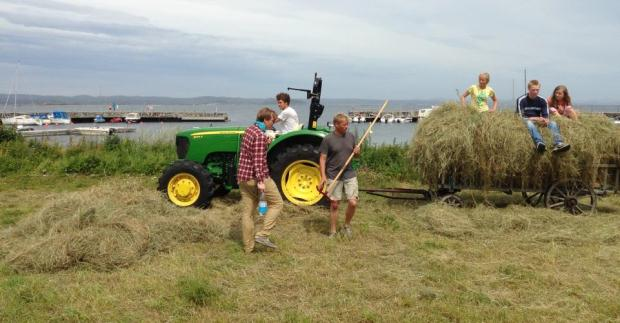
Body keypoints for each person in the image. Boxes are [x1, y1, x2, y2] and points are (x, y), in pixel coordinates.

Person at [237, 107, 284, 253]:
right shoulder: (259, 135)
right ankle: (263, 235)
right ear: (265, 119)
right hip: (257, 177)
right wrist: (261, 181)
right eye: (272, 121)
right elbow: (257, 160)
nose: (273, 124)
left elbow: (251, 152)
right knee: (277, 203)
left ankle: (248, 247)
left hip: (243, 178)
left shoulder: (250, 130)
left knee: (247, 213)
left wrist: (266, 142)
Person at [318, 113, 360, 238]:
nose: (347, 126)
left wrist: (357, 152)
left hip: (349, 173)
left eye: (347, 124)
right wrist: (323, 176)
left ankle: (346, 226)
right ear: (336, 125)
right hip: (333, 174)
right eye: (344, 124)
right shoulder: (328, 139)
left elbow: (356, 155)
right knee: (335, 204)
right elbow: (322, 158)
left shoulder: (351, 137)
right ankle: (333, 231)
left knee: (353, 202)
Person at [516, 80, 571, 153]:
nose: (535, 92)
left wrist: (544, 120)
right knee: (529, 122)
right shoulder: (521, 100)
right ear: (528, 89)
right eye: (533, 90)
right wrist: (535, 118)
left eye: (537, 90)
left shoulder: (542, 100)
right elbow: (521, 116)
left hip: (539, 120)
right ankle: (539, 142)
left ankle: (558, 143)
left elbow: (546, 116)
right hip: (527, 120)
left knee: (553, 123)